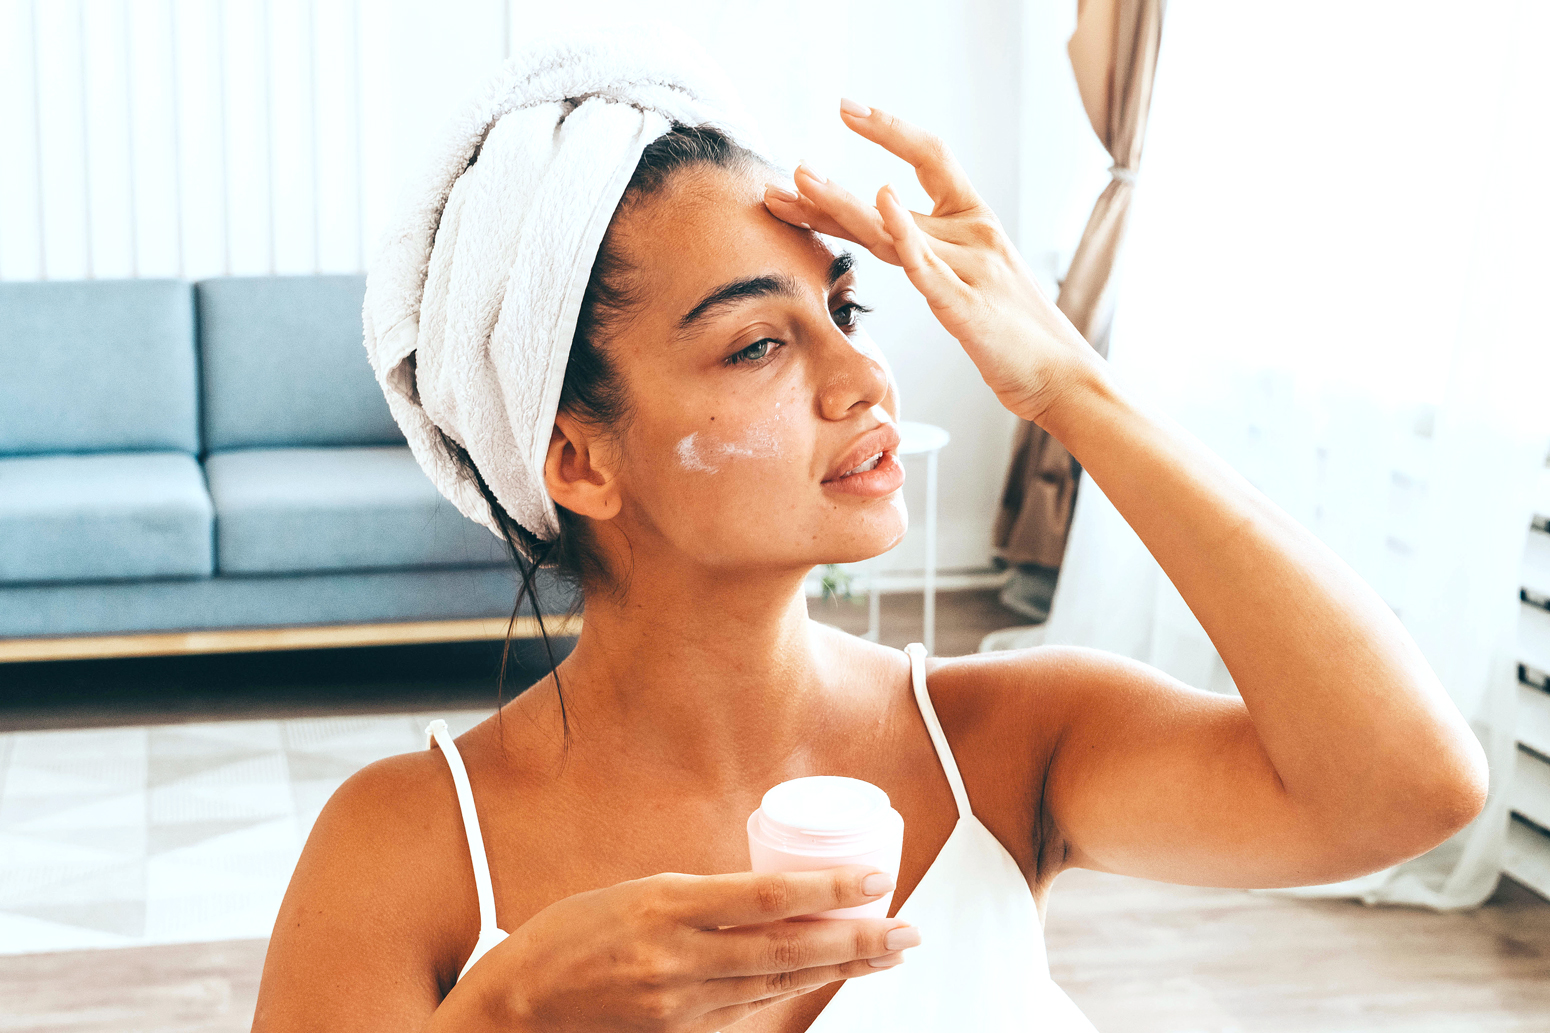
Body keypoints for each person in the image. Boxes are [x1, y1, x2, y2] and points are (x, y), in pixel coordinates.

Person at [252, 59, 1488, 1033]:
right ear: (577, 457)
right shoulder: (401, 851)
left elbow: (1405, 788)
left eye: (846, 309)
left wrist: (1072, 386)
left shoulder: (1008, 748)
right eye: (756, 344)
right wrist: (503, 1022)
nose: (862, 376)